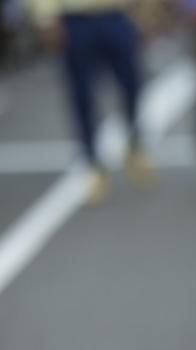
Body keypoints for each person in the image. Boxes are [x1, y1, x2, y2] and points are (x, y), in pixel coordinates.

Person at [27, 0, 153, 203]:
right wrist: (45, 18)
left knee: (133, 84)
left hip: (115, 14)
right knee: (82, 95)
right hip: (75, 19)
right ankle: (91, 162)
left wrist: (147, 11)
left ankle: (135, 143)